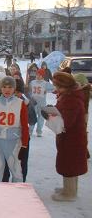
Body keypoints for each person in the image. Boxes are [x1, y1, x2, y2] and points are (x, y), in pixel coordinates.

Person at [49, 72, 88, 201]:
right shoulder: (69, 95)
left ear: (65, 86)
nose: (56, 89)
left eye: (58, 86)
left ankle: (69, 193)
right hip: (71, 138)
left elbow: (66, 122)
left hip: (71, 139)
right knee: (70, 165)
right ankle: (69, 189)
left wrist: (51, 115)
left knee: (69, 165)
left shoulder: (71, 99)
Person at [0, 76, 29, 183]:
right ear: (0, 88)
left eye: (10, 87)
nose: (7, 90)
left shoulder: (20, 103)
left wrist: (24, 145)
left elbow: (24, 125)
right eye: (4, 87)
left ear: (14, 89)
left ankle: (17, 196)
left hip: (14, 142)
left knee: (17, 171)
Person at [2, 78, 36, 182]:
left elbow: (32, 120)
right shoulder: (2, 102)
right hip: (6, 139)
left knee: (20, 166)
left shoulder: (25, 103)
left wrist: (24, 144)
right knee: (4, 167)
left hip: (21, 139)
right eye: (15, 92)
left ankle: (19, 187)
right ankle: (5, 187)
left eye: (18, 93)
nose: (15, 95)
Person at [29, 68, 54, 137]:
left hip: (42, 103)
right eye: (37, 74)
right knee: (32, 117)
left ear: (43, 76)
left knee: (41, 117)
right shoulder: (32, 82)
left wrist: (47, 91)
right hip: (34, 103)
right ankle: (30, 130)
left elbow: (53, 88)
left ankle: (39, 131)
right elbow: (29, 90)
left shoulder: (45, 83)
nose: (38, 76)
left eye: (40, 75)